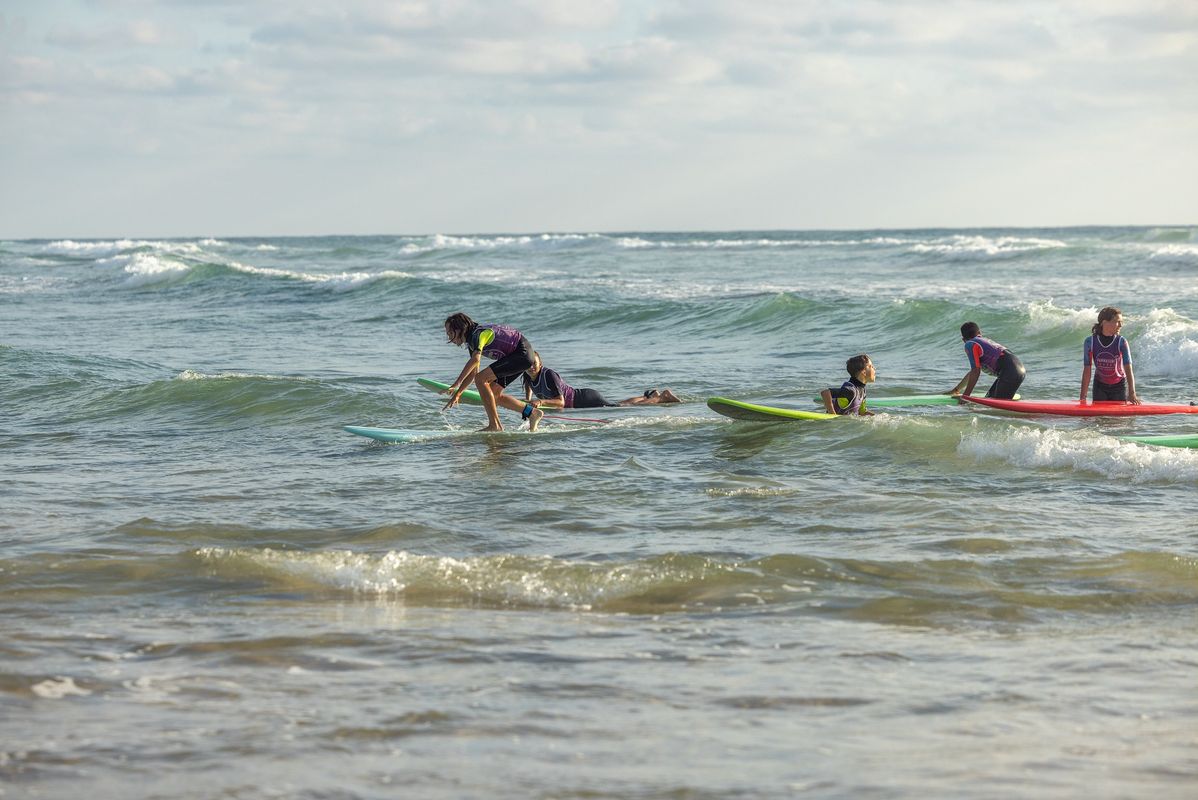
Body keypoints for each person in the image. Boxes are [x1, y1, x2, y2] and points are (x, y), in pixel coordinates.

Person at [519, 352, 681, 432]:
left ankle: (662, 398)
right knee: (618, 404)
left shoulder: (548, 374)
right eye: (529, 364)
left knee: (619, 408)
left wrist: (540, 402)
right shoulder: (528, 376)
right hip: (582, 400)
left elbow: (560, 402)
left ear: (541, 363)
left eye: (535, 363)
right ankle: (650, 396)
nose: (532, 367)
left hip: (584, 399)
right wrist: (528, 400)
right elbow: (530, 386)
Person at [442, 312, 542, 432]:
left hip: (522, 353)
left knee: (481, 379)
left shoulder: (477, 335)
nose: (449, 338)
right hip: (518, 356)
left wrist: (456, 383)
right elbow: (474, 372)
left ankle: (494, 425)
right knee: (493, 394)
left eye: (450, 333)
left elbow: (475, 360)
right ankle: (532, 413)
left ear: (459, 330)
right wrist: (458, 394)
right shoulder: (471, 342)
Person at [949, 322, 1025, 400]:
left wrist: (965, 397)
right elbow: (973, 372)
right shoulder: (984, 342)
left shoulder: (970, 344)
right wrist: (956, 390)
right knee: (990, 400)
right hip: (1018, 369)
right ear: (979, 333)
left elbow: (976, 371)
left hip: (1009, 372)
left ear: (963, 340)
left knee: (996, 406)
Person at [1080, 306, 1140, 404]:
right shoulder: (1090, 342)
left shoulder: (1121, 342)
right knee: (1099, 419)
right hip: (1099, 386)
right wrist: (1083, 398)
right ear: (1104, 322)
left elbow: (1128, 370)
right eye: (1117, 321)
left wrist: (1132, 393)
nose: (1120, 325)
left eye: (1121, 322)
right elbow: (1087, 371)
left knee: (1119, 419)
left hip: (1119, 386)